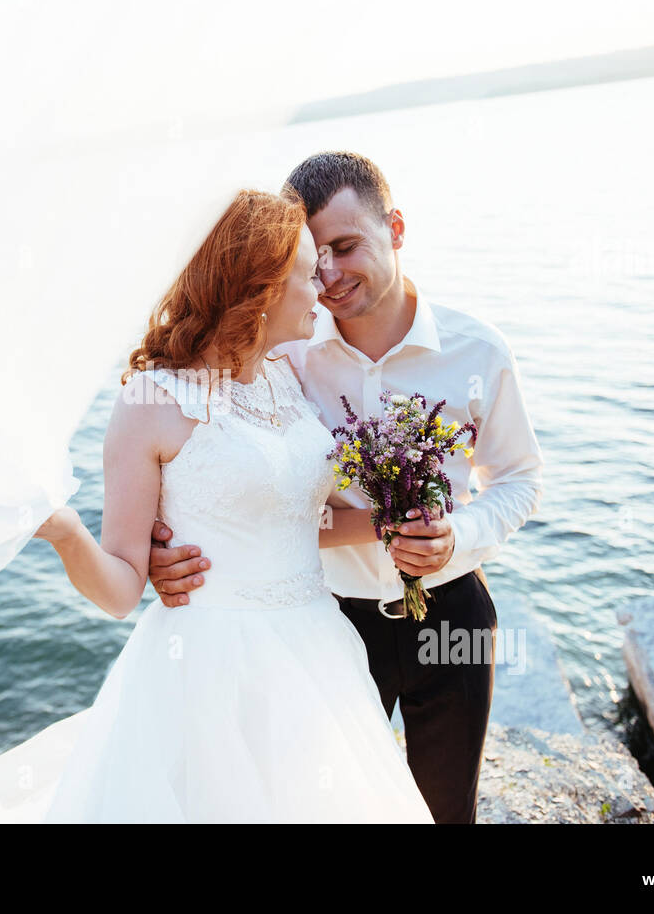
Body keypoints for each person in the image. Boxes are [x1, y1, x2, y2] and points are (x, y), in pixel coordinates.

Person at [0, 188, 434, 822]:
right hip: (206, 669)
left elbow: (294, 518)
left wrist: (392, 520)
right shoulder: (152, 401)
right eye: (308, 274)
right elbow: (123, 589)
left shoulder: (285, 372)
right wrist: (68, 533)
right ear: (259, 287)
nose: (324, 287)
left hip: (317, 650)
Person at [149, 152, 544, 823]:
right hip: (328, 620)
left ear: (395, 227)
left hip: (450, 618)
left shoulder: (478, 352)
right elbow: (204, 447)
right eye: (312, 256)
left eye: (345, 246)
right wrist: (169, 546)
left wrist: (458, 536)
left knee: (446, 812)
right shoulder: (281, 353)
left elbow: (519, 480)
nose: (328, 274)